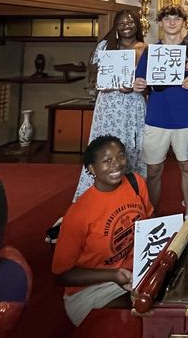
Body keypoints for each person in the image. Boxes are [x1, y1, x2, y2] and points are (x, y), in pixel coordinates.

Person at [52, 135, 153, 326]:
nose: (116, 165)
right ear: (92, 169)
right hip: (94, 289)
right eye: (107, 161)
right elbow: (61, 275)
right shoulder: (80, 213)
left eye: (120, 156)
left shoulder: (136, 183)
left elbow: (148, 225)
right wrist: (113, 275)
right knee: (134, 321)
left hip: (137, 275)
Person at [133, 4, 188, 215]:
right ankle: (151, 213)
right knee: (154, 169)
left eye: (177, 19)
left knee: (187, 166)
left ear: (184, 23)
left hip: (186, 117)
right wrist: (138, 85)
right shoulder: (151, 51)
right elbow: (140, 81)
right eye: (167, 19)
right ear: (161, 23)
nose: (172, 23)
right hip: (157, 116)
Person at [72, 9, 147, 202]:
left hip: (133, 105)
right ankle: (97, 194)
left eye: (130, 22)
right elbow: (94, 77)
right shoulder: (106, 46)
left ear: (137, 25)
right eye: (121, 23)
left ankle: (132, 194)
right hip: (109, 104)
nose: (126, 26)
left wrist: (139, 87)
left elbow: (151, 83)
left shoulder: (145, 48)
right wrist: (111, 85)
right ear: (116, 26)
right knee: (104, 144)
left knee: (132, 146)